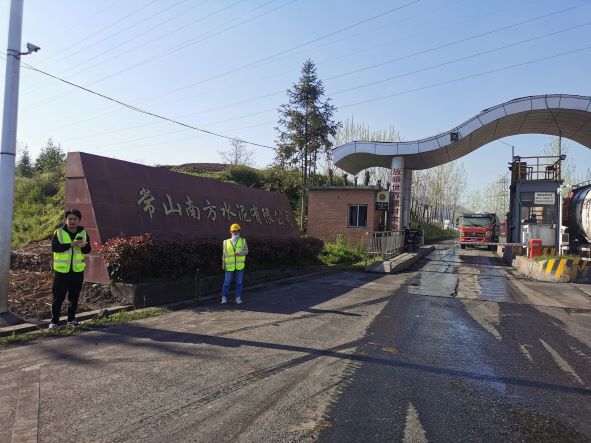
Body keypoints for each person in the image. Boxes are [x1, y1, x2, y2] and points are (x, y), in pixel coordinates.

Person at [49, 209, 91, 328]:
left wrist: (83, 246)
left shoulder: (83, 232)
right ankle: (54, 322)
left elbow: (88, 250)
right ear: (66, 220)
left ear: (79, 220)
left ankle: (72, 320)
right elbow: (55, 248)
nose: (72, 221)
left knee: (74, 297)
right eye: (70, 219)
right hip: (62, 271)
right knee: (58, 297)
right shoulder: (59, 232)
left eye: (75, 219)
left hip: (77, 271)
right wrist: (70, 245)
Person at [221, 223, 249, 305]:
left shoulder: (243, 241)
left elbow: (246, 251)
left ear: (239, 231)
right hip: (229, 266)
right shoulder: (225, 242)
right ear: (231, 232)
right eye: (234, 231)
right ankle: (224, 297)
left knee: (239, 282)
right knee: (227, 282)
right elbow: (224, 254)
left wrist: (239, 253)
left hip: (240, 266)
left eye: (237, 231)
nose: (236, 233)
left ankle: (238, 298)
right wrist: (223, 262)